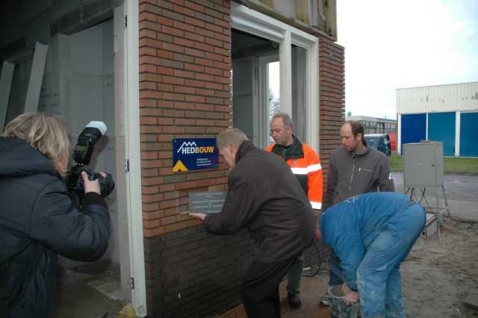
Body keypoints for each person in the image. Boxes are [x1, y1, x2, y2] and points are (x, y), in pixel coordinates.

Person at [189, 128, 315, 318]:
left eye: (223, 156)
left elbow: (228, 223)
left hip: (283, 236)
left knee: (252, 289)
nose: (224, 162)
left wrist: (207, 218)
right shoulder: (268, 157)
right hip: (301, 228)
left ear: (231, 148)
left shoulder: (242, 170)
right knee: (266, 284)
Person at [0, 113, 111, 318]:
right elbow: (91, 242)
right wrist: (94, 195)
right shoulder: (41, 191)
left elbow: (33, 216)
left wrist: (75, 194)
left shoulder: (11, 172)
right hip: (15, 305)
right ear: (54, 145)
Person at [317, 192, 426, 318]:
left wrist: (354, 289)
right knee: (387, 271)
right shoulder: (335, 214)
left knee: (368, 274)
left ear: (316, 228)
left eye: (316, 237)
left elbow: (353, 259)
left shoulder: (333, 225)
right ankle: (395, 315)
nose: (319, 241)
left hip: (400, 218)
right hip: (412, 213)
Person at [322, 120, 395, 305]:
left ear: (359, 137)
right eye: (341, 136)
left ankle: (359, 295)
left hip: (363, 222)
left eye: (347, 137)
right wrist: (330, 213)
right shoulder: (337, 155)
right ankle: (334, 294)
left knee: (359, 261)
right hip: (340, 219)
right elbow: (331, 188)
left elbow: (387, 194)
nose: (343, 141)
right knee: (336, 259)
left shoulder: (379, 159)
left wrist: (382, 223)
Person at [266, 112, 323, 309]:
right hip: (274, 218)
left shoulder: (308, 154)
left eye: (277, 130)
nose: (274, 134)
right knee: (273, 256)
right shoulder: (268, 152)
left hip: (298, 218)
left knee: (296, 257)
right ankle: (271, 292)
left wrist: (312, 220)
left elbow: (315, 193)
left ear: (289, 129)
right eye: (272, 130)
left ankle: (293, 292)